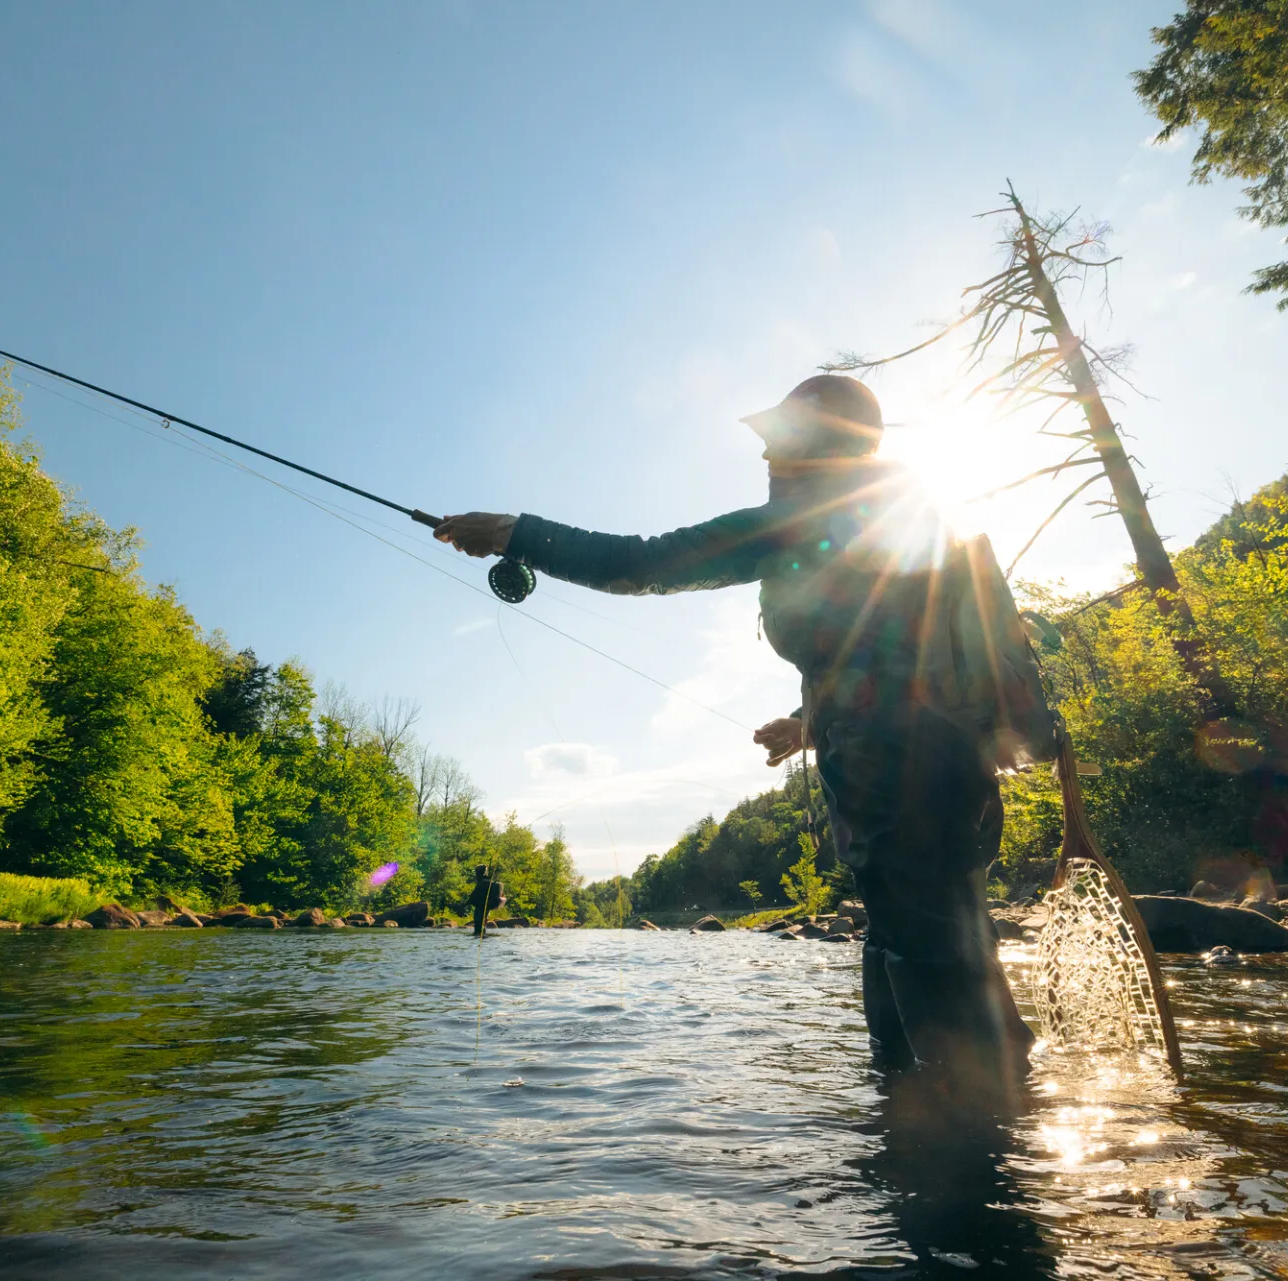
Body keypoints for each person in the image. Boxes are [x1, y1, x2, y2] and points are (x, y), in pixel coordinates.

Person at [434, 375, 1032, 1103]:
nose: (767, 457)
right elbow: (894, 659)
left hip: (899, 781)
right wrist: (810, 726)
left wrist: (515, 533)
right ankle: (949, 1144)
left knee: (932, 978)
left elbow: (644, 563)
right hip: (948, 776)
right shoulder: (899, 517)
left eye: (780, 439)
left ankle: (976, 1167)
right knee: (926, 958)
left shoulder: (815, 519)